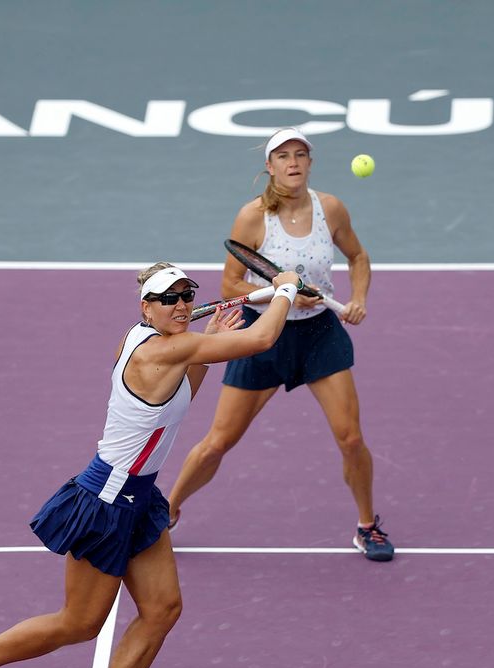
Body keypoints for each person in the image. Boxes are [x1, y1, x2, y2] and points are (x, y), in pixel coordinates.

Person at [0, 263, 302, 668]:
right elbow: (262, 336)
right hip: (106, 500)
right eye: (168, 299)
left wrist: (205, 346)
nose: (180, 305)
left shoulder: (142, 338)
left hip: (140, 498)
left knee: (162, 610)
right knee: (79, 623)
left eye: (186, 296)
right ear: (147, 308)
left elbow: (176, 405)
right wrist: (285, 290)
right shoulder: (166, 349)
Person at [166, 128, 395, 562]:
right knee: (218, 442)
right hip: (261, 335)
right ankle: (168, 510)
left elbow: (358, 257)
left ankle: (368, 526)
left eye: (301, 155)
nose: (293, 163)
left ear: (310, 163)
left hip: (318, 335)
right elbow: (232, 282)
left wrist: (360, 297)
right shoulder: (252, 217)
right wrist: (284, 291)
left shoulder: (331, 209)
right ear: (269, 167)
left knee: (350, 438)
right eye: (283, 156)